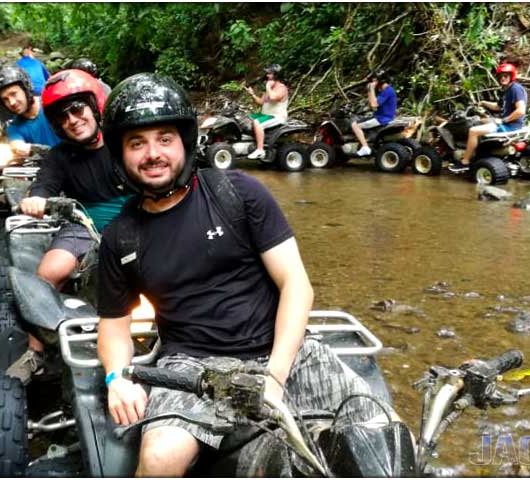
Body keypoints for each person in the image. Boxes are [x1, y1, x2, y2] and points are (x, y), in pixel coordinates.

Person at [96, 73, 384, 476]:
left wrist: (275, 375)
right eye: (136, 143)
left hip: (284, 352)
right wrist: (116, 379)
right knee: (160, 458)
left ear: (184, 141)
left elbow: (296, 285)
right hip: (192, 367)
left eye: (164, 138)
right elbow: (113, 327)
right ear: (120, 154)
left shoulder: (239, 193)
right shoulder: (120, 237)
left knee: (381, 437)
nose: (152, 153)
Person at [8, 69, 131, 384]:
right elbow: (44, 183)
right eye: (62, 117)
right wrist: (36, 199)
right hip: (83, 223)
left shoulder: (125, 140)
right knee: (48, 273)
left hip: (137, 221)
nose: (72, 120)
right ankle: (35, 351)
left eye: (77, 109)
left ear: (94, 106)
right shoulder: (60, 156)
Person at [449, 62, 527, 172]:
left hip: (509, 126)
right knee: (481, 121)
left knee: (473, 130)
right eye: (501, 76)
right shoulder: (506, 91)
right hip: (507, 123)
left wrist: (503, 120)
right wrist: (484, 103)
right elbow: (498, 107)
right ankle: (481, 153)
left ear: (511, 76)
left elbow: (521, 110)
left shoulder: (515, 89)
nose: (503, 78)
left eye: (506, 76)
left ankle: (465, 162)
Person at [0, 64, 61, 156]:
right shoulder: (14, 127)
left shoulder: (54, 105)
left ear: (26, 88)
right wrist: (19, 147)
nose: (12, 102)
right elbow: (16, 142)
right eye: (5, 99)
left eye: (13, 94)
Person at [244, 64, 288, 159]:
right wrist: (252, 94)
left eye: (270, 74)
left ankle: (260, 150)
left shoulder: (282, 88)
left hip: (277, 116)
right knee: (247, 118)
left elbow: (273, 97)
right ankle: (252, 144)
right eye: (267, 73)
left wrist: (268, 87)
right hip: (266, 115)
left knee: (257, 122)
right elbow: (260, 102)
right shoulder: (269, 89)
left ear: (276, 75)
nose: (267, 75)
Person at [351, 69, 397, 157]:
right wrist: (369, 90)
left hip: (382, 118)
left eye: (375, 80)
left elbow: (373, 104)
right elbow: (371, 105)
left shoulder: (387, 91)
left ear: (380, 81)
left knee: (355, 125)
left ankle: (365, 147)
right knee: (362, 120)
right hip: (383, 116)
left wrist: (371, 89)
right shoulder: (386, 90)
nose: (373, 82)